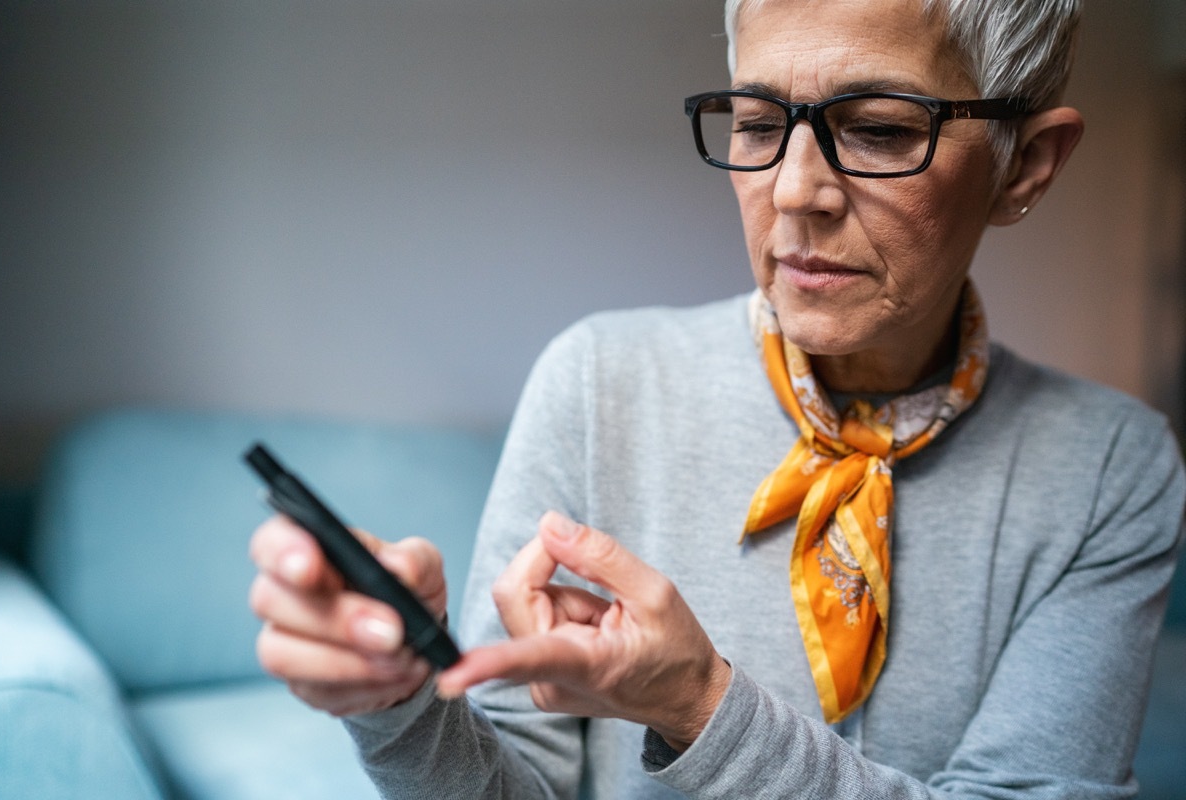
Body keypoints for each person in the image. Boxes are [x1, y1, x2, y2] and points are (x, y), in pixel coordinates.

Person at [247, 0, 1186, 796]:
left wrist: (697, 705)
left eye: (882, 130)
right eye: (758, 123)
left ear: (1026, 165)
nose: (794, 192)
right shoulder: (597, 380)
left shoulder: (1110, 469)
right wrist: (402, 704)